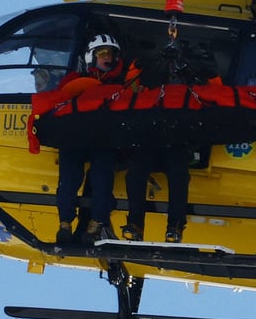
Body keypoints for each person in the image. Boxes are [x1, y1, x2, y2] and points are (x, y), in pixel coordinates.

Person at [122, 44, 221, 243]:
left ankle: (175, 226)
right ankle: (135, 224)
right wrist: (140, 63)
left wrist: (206, 69)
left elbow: (218, 93)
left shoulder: (193, 83)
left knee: (178, 174)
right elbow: (128, 88)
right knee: (135, 172)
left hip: (178, 140)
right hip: (151, 139)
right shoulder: (149, 84)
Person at [55, 34, 126, 244]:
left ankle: (97, 222)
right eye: (102, 54)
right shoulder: (73, 81)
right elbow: (59, 101)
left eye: (111, 55)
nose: (107, 58)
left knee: (102, 178)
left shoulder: (120, 84)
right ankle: (65, 223)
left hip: (102, 138)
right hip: (75, 137)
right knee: (68, 179)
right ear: (91, 57)